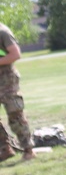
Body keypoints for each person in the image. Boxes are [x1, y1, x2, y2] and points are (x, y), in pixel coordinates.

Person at [0, 23, 34, 162]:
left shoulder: (3, 32)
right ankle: (5, 149)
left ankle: (28, 150)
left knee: (15, 114)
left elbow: (15, 54)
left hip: (7, 79)